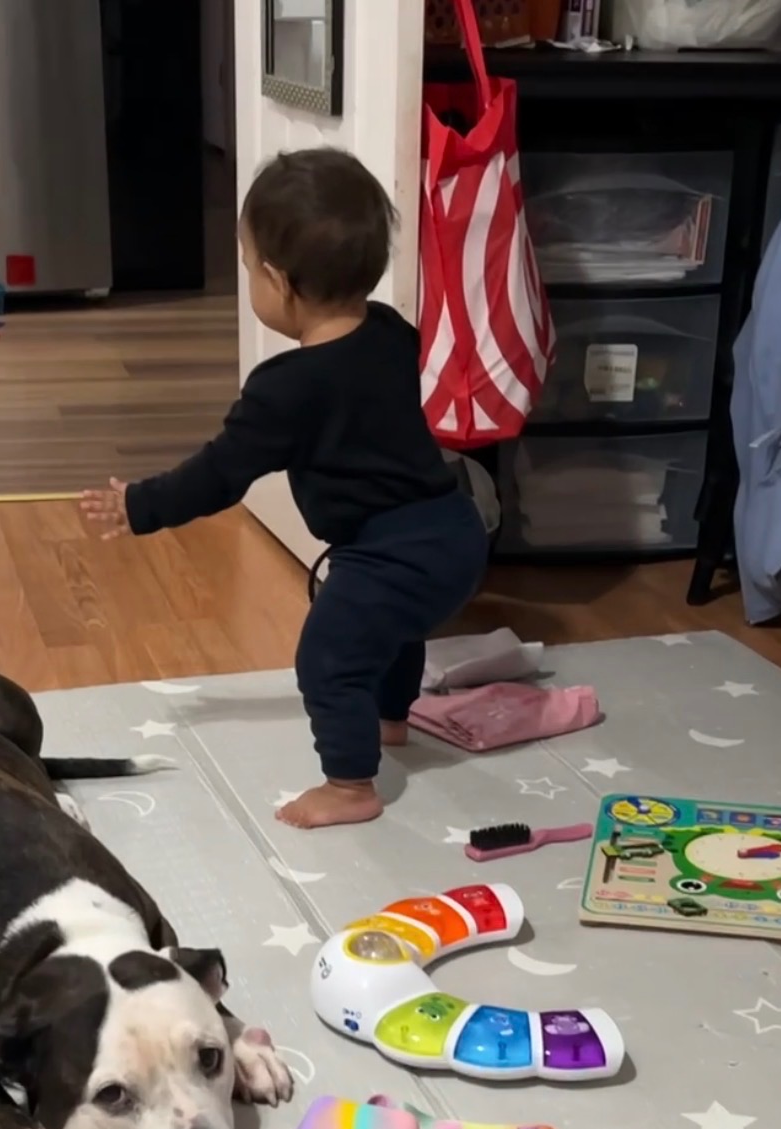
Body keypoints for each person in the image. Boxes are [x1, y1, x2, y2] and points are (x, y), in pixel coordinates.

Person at [80, 147, 488, 830]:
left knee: (328, 659)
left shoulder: (285, 390)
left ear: (276, 280)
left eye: (247, 267)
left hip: (387, 552)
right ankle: (389, 719)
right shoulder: (391, 332)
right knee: (392, 629)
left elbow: (220, 474)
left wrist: (139, 504)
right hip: (455, 530)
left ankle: (350, 785)